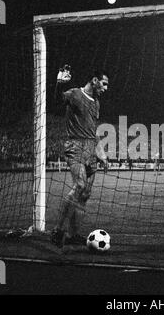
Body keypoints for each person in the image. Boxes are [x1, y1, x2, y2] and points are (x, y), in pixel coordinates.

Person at [50, 66, 109, 248]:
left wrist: (101, 153)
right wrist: (60, 83)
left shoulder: (96, 102)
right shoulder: (75, 94)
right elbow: (56, 100)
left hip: (91, 148)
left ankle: (73, 234)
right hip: (75, 145)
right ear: (94, 80)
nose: (105, 88)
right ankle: (58, 230)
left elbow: (93, 130)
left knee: (85, 194)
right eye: (104, 84)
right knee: (80, 185)